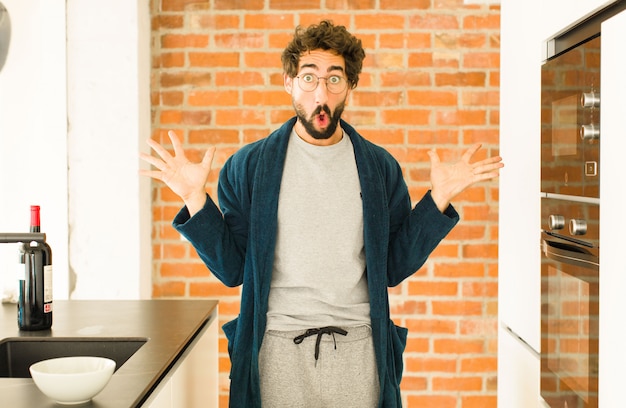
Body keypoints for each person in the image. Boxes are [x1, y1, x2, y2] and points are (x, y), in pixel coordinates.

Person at [140, 20, 503, 408]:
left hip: (359, 350)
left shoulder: (379, 169)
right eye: (308, 78)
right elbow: (232, 269)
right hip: (275, 350)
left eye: (334, 79)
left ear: (350, 86)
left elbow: (393, 266)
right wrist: (196, 198)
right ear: (289, 83)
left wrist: (439, 199)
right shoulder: (248, 166)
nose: (320, 93)